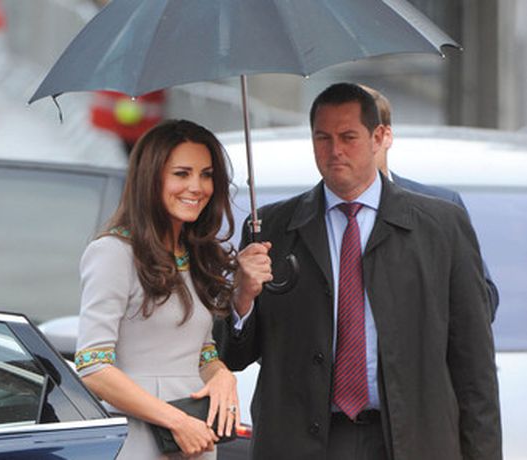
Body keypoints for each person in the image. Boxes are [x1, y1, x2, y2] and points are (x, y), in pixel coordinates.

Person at [219, 83, 501, 459]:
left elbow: (474, 365)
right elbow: (235, 355)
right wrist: (242, 298)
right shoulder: (270, 228)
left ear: (378, 137)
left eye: (348, 137)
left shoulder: (440, 225)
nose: (334, 150)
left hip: (411, 440)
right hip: (306, 442)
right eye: (323, 138)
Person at [75, 119, 240, 459]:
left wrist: (222, 376)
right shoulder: (113, 252)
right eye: (181, 174)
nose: (197, 187)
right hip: (141, 439)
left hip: (196, 439)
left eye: (206, 174)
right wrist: (176, 421)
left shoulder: (195, 254)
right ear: (151, 178)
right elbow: (93, 367)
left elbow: (201, 353)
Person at [360, 84, 499, 320]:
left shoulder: (441, 209)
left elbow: (481, 303)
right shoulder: (306, 215)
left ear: (385, 136)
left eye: (355, 137)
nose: (345, 150)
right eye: (331, 138)